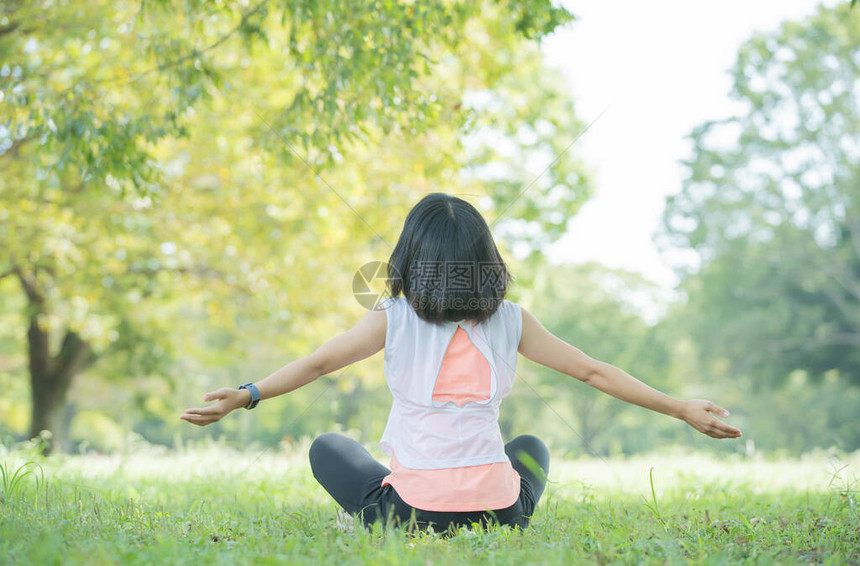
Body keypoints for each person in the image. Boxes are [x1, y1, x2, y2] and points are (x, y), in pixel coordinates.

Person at [180, 193, 742, 532]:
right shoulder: (513, 319)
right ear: (485, 260)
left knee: (329, 448)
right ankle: (497, 510)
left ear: (410, 260)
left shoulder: (391, 316)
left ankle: (373, 520)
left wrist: (248, 393)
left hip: (410, 513)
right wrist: (679, 407)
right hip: (502, 513)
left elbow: (320, 363)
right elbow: (594, 371)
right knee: (531, 449)